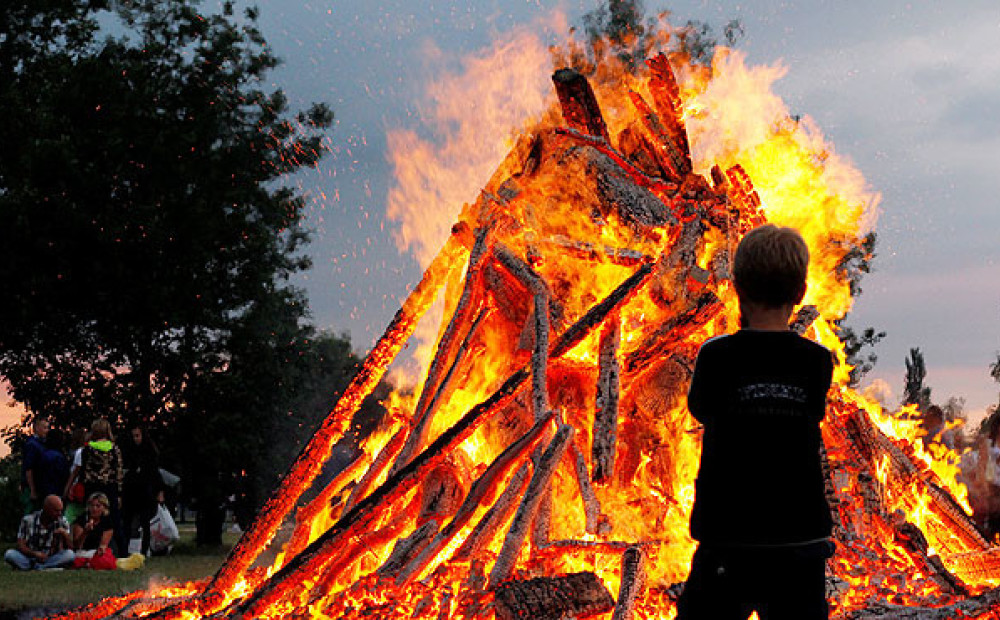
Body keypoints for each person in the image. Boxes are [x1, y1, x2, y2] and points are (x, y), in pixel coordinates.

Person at [676, 224, 835, 620]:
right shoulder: (816, 361)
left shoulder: (716, 356)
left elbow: (701, 410)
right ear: (800, 293)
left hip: (728, 539)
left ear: (737, 287)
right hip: (800, 541)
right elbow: (813, 412)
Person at [68, 419, 124, 556]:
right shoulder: (114, 449)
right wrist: (119, 493)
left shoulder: (87, 450)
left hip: (92, 488)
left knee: (91, 518)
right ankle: (122, 551)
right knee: (114, 520)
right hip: (110, 488)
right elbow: (118, 472)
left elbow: (83, 472)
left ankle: (88, 547)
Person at [121, 425, 163, 557]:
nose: (135, 439)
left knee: (145, 523)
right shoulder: (127, 452)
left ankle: (144, 550)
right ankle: (125, 549)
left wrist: (159, 491)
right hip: (130, 491)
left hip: (145, 491)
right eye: (133, 436)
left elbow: (155, 473)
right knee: (128, 522)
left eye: (137, 436)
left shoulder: (149, 453)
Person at [4, 494, 75, 570]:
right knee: (9, 554)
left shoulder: (62, 521)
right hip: (30, 557)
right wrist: (35, 554)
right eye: (56, 511)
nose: (59, 513)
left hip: (50, 558)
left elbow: (72, 547)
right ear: (47, 509)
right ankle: (42, 567)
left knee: (70, 555)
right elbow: (21, 545)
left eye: (61, 510)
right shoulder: (28, 520)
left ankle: (37, 567)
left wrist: (65, 534)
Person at [70, 492, 117, 570]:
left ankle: (90, 564)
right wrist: (85, 532)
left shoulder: (107, 521)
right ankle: (89, 564)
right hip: (82, 552)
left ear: (104, 508)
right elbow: (77, 545)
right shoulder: (81, 520)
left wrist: (101, 550)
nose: (94, 509)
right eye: (92, 505)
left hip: (96, 552)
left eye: (98, 506)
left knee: (107, 558)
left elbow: (104, 544)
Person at [21, 418, 49, 514]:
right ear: (37, 428)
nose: (47, 430)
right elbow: (29, 468)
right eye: (45, 428)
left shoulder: (41, 444)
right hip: (31, 487)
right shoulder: (32, 445)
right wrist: (32, 489)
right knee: (29, 513)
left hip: (37, 486)